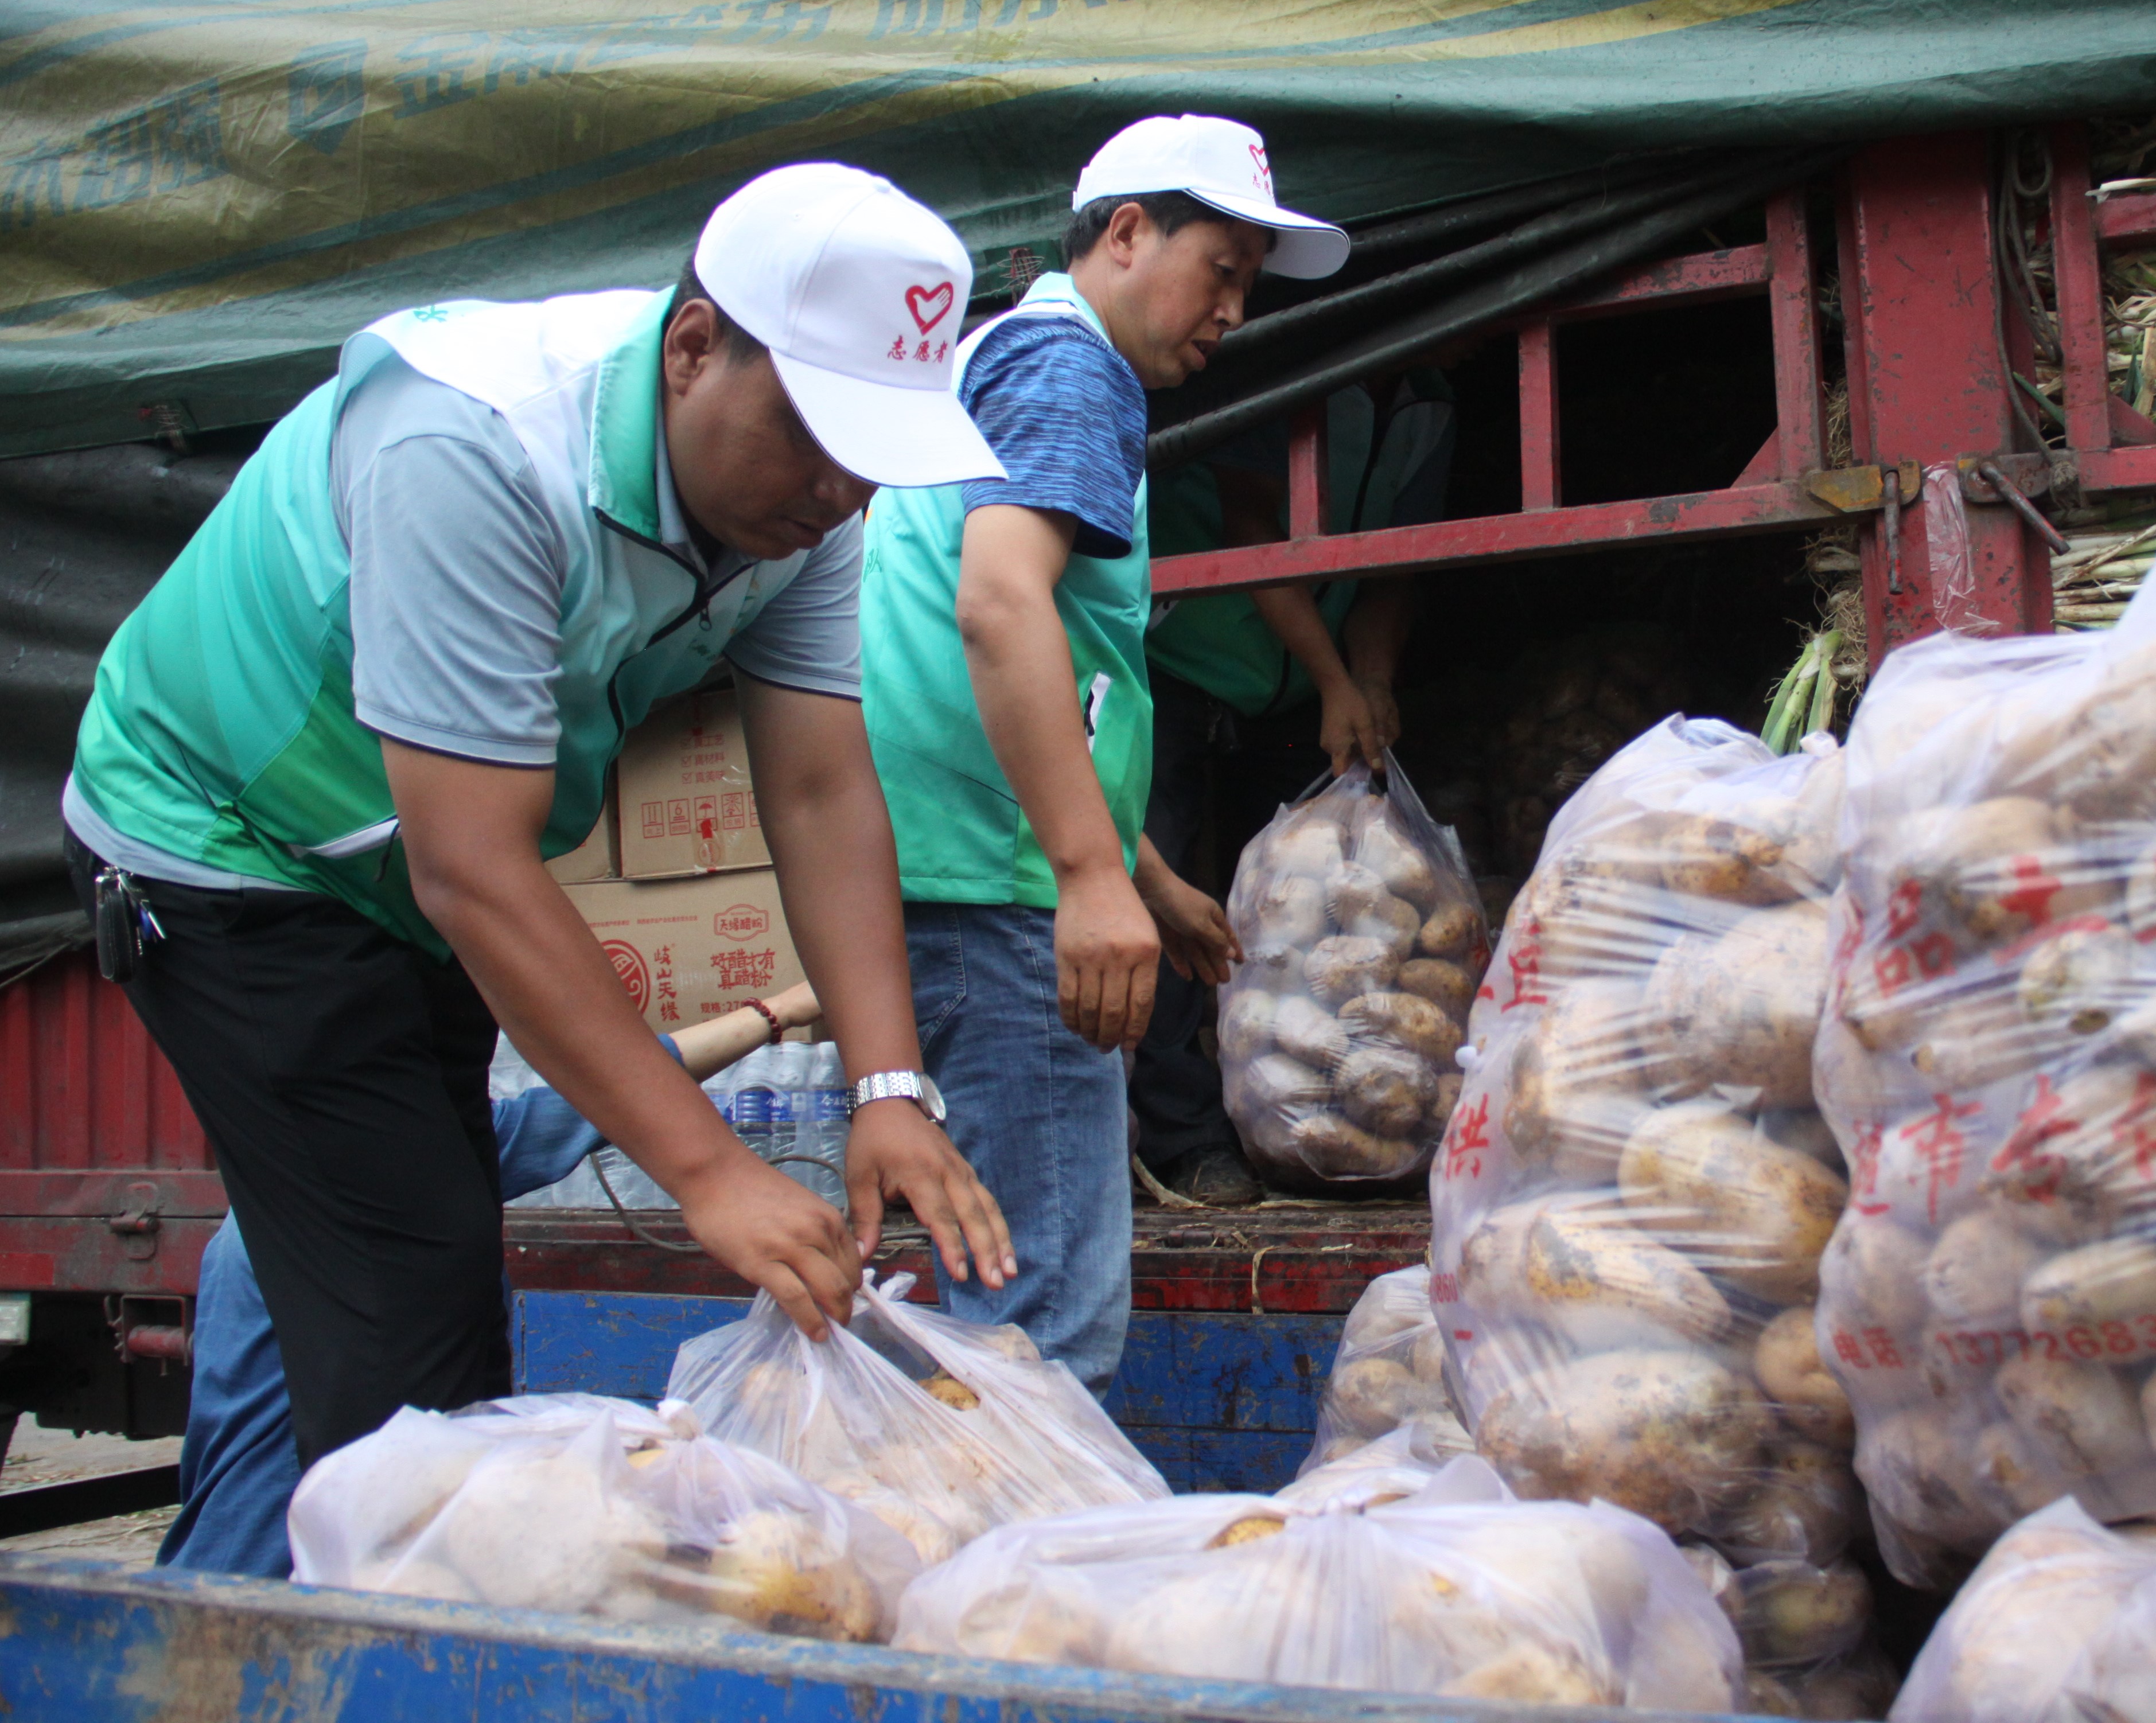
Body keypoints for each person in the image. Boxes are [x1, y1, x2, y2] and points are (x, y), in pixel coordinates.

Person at [62, 163, 1015, 1480]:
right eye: (820, 433)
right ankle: (391, 1631)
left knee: (420, 1272)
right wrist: (709, 1171)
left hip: (405, 873)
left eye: (877, 456)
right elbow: (474, 865)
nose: (847, 490)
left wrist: (888, 1085)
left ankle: (363, 1569)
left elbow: (816, 788)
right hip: (230, 843)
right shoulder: (476, 444)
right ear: (693, 348)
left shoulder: (805, 509)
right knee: (410, 1309)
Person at [859, 115, 1349, 1386]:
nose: (1234, 311)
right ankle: (998, 1584)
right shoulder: (1073, 370)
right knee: (1045, 1335)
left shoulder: (1002, 363)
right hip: (1001, 902)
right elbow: (999, 605)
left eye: (1248, 285)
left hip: (965, 882)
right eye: (1223, 270)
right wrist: (1085, 881)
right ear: (1126, 234)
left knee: (996, 1305)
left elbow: (1038, 684)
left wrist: (1140, 874)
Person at [161, 985, 823, 1577]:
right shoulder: (351, 1197)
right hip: (260, 1587)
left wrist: (778, 1013)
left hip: (289, 1573)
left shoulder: (361, 1167)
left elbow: (602, 1096)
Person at [1131, 370, 1458, 1204]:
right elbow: (1250, 528)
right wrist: (1335, 680)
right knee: (1165, 889)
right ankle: (1185, 1135)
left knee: (1289, 916)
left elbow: (1397, 570)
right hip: (1183, 655)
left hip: (1295, 683)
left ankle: (1287, 1116)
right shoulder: (1305, 367)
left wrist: (1369, 679)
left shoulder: (1429, 404)